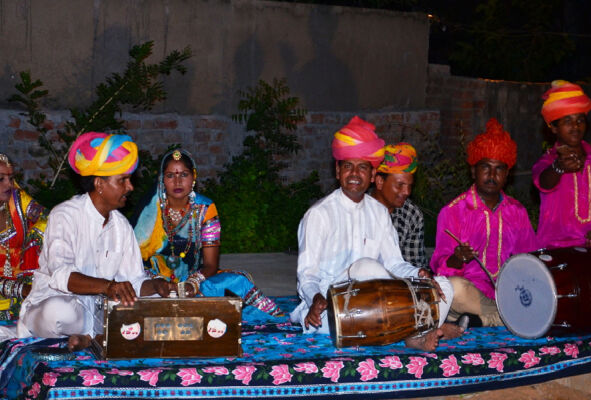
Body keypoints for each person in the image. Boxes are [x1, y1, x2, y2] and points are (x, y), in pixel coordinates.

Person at [291, 116, 459, 351]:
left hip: (378, 305)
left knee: (442, 285)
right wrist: (315, 299)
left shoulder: (379, 212)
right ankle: (421, 327)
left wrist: (419, 274)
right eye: (348, 166)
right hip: (333, 308)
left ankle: (415, 332)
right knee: (367, 267)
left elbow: (394, 263)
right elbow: (307, 276)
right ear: (337, 171)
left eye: (362, 167)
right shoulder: (318, 215)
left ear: (372, 175)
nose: (354, 173)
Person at [17, 132, 174, 350]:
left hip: (100, 312)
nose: (130, 187)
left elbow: (133, 282)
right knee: (60, 312)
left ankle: (91, 338)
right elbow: (62, 276)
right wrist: (108, 286)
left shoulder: (121, 226)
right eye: (123, 180)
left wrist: (156, 285)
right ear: (99, 183)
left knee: (162, 302)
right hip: (58, 305)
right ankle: (92, 336)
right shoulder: (65, 215)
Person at [132, 149, 281, 317]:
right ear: (162, 180)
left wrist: (192, 284)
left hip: (192, 283)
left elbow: (210, 264)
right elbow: (132, 262)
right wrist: (156, 282)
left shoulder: (205, 208)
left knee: (237, 282)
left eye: (184, 174)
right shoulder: (149, 210)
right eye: (170, 176)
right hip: (153, 283)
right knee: (130, 291)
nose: (177, 181)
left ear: (193, 177)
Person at [430, 118, 538, 326]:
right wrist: (457, 258)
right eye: (485, 168)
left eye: (499, 169)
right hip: (469, 294)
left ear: (507, 174)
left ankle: (481, 320)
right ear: (473, 171)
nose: (491, 175)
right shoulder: (453, 211)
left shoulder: (517, 212)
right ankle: (507, 318)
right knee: (454, 288)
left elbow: (530, 261)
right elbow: (440, 268)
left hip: (509, 293)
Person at [533, 80, 591, 248]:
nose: (575, 126)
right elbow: (543, 182)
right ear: (554, 128)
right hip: (554, 251)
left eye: (580, 120)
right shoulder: (547, 161)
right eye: (567, 121)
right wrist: (559, 167)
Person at [0, 154, 47, 320]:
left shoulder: (17, 199)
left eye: (11, 178)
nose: (8, 184)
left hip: (24, 287)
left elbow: (50, 219)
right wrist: (21, 289)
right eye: (1, 179)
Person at [371, 142, 429, 271]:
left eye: (410, 186)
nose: (407, 192)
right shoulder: (359, 209)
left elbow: (414, 266)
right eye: (400, 185)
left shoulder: (411, 215)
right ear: (380, 181)